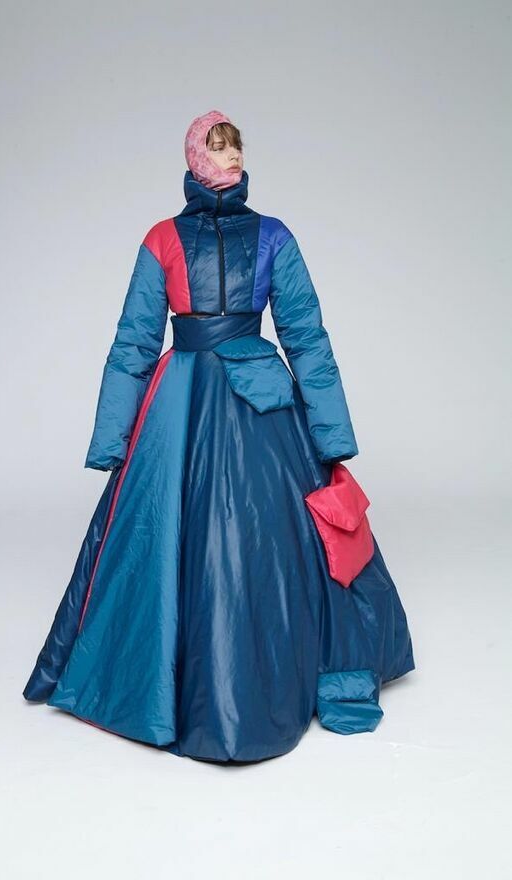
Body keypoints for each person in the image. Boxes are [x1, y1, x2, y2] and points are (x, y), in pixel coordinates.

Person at [22, 109, 415, 764]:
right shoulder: (162, 239)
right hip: (181, 405)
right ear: (195, 158)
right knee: (167, 533)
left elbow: (307, 336)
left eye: (236, 145)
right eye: (217, 145)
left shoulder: (274, 236)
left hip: (260, 400)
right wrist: (113, 440)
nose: (231, 155)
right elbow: (134, 341)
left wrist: (331, 434)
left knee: (283, 533)